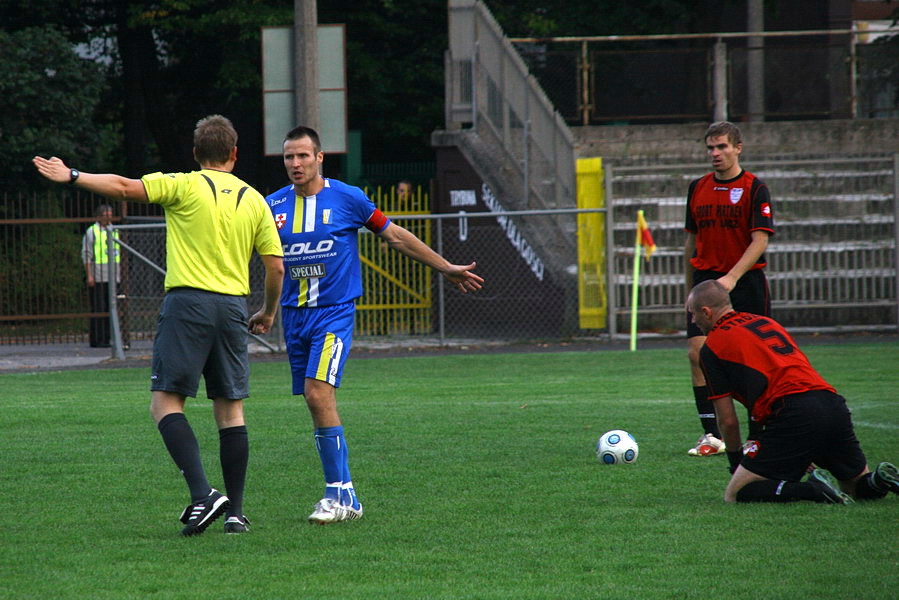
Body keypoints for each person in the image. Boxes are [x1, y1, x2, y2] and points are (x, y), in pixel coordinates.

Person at [33, 115, 284, 536]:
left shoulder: (185, 184)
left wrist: (73, 175)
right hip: (233, 308)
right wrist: (268, 312)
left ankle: (204, 494)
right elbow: (275, 266)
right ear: (234, 154)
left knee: (165, 404)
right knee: (230, 409)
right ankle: (236, 514)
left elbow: (125, 187)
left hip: (187, 304)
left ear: (195, 154)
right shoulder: (255, 199)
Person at [267, 126, 483, 524]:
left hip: (333, 313)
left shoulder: (348, 198)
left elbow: (396, 236)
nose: (295, 164)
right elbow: (264, 260)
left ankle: (338, 494)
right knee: (315, 402)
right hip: (294, 318)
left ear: (319, 158)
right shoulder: (272, 205)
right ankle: (345, 496)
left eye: (302, 156)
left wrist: (446, 268)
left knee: (318, 395)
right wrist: (264, 310)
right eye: (288, 157)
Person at [686, 280, 899, 503]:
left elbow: (728, 421)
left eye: (693, 314)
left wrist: (735, 460)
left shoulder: (712, 347)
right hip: (831, 403)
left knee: (736, 493)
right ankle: (878, 480)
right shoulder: (767, 322)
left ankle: (813, 490)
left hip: (793, 411)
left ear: (707, 312)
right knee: (855, 487)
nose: (693, 321)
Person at [683, 121, 775, 457]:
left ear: (738, 147)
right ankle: (711, 436)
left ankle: (756, 436)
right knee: (697, 353)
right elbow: (691, 241)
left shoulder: (754, 188)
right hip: (706, 281)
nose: (715, 154)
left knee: (751, 357)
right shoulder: (697, 187)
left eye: (722, 146)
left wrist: (733, 278)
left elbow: (760, 239)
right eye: (710, 148)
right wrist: (688, 290)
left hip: (745, 282)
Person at [82, 204, 119, 348]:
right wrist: (89, 275)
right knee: (99, 308)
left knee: (112, 308)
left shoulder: (115, 230)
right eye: (106, 214)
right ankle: (97, 339)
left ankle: (109, 338)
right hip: (99, 275)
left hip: (114, 274)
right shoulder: (92, 231)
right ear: (99, 216)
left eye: (110, 214)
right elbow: (86, 254)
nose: (109, 217)